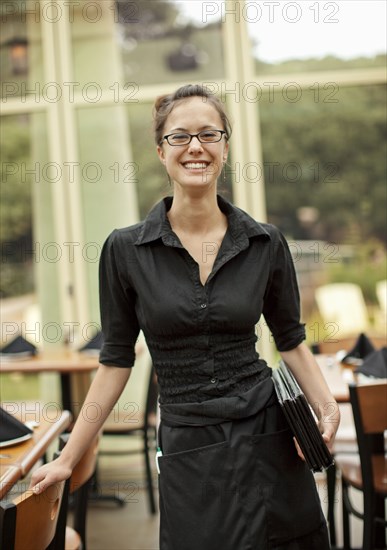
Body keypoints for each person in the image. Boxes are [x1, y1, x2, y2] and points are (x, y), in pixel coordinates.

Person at [31, 84, 340, 549]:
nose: (195, 147)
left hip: (267, 434)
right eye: (180, 136)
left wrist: (328, 408)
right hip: (188, 445)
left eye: (208, 134)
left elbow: (290, 338)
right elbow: (115, 361)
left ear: (225, 147)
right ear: (161, 151)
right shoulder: (125, 250)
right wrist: (68, 458)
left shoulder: (265, 243)